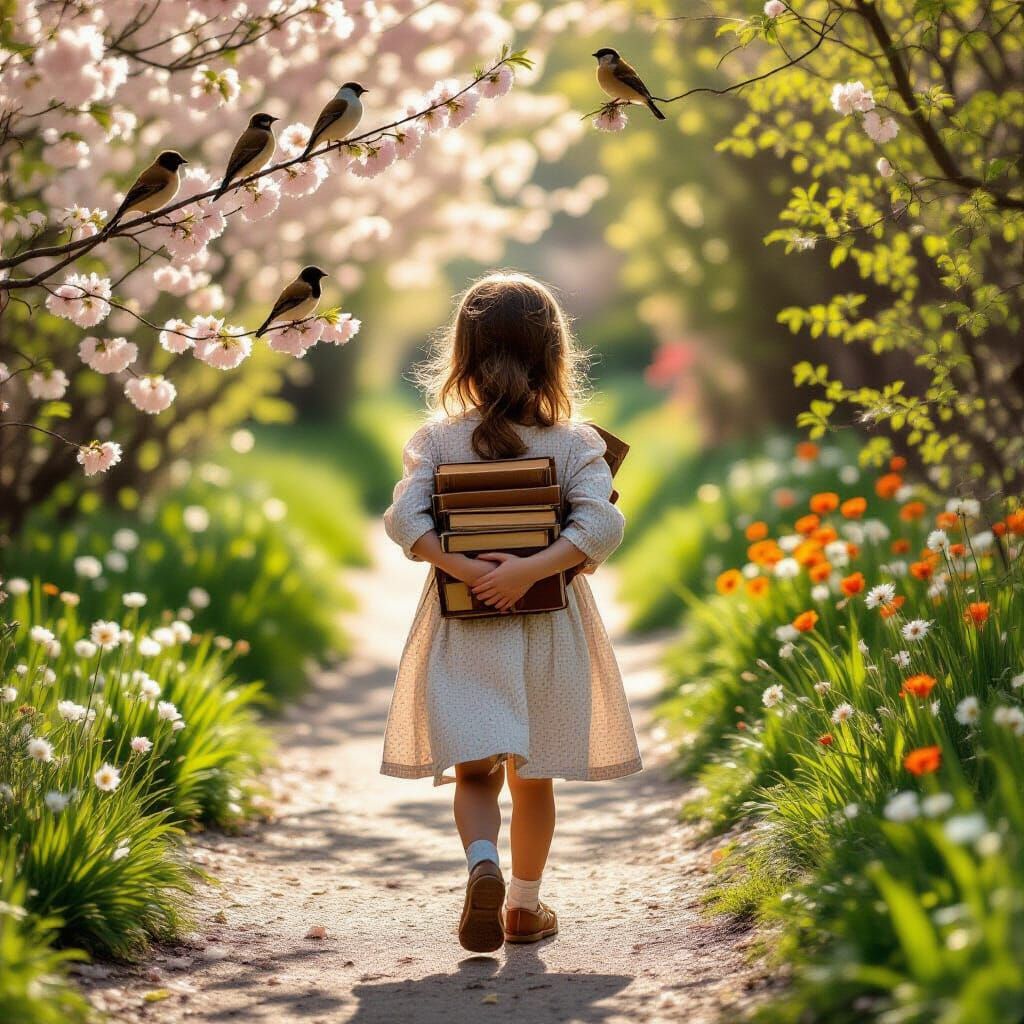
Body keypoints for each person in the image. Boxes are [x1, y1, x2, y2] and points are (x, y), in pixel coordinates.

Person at [382, 270, 642, 953]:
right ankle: (524, 907)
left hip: (464, 626)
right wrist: (529, 570)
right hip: (547, 628)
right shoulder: (575, 442)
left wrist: (468, 569)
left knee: (472, 772)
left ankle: (481, 865)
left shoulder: (437, 442)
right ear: (553, 354)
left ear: (462, 355)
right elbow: (602, 527)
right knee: (534, 777)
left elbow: (403, 519)